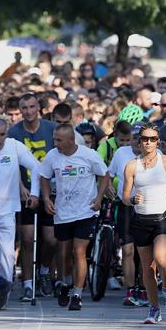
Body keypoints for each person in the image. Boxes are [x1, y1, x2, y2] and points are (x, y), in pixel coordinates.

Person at [122, 123, 166, 324]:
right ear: (139, 141)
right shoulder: (132, 166)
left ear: (157, 141)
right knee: (148, 269)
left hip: (163, 218)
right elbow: (125, 195)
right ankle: (154, 309)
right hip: (141, 220)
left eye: (152, 139)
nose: (149, 142)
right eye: (145, 139)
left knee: (161, 258)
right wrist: (132, 200)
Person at [39, 123, 108, 311]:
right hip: (63, 212)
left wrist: (99, 198)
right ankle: (66, 284)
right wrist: (46, 198)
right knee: (63, 253)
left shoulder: (88, 155)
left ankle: (77, 294)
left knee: (79, 252)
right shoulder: (52, 156)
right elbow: (43, 176)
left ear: (71, 140)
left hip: (86, 211)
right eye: (54, 139)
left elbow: (105, 174)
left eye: (59, 140)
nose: (55, 143)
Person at [0, 117, 40, 299]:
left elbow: (36, 168)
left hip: (7, 210)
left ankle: (2, 291)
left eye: (2, 134)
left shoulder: (14, 146)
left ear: (7, 133)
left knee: (7, 254)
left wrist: (35, 193)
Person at [8, 93, 57, 300]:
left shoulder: (51, 129)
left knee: (51, 240)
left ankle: (44, 271)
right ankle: (28, 283)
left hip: (48, 190)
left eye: (32, 107)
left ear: (39, 108)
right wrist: (19, 186)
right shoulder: (14, 131)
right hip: (25, 191)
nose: (28, 112)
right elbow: (10, 162)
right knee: (27, 239)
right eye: (24, 108)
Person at [101, 126, 147, 306]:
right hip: (126, 206)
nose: (137, 141)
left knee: (144, 252)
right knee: (128, 250)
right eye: (134, 137)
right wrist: (107, 186)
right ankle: (130, 290)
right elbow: (108, 173)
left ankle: (143, 288)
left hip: (147, 207)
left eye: (141, 138)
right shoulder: (121, 153)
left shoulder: (154, 154)